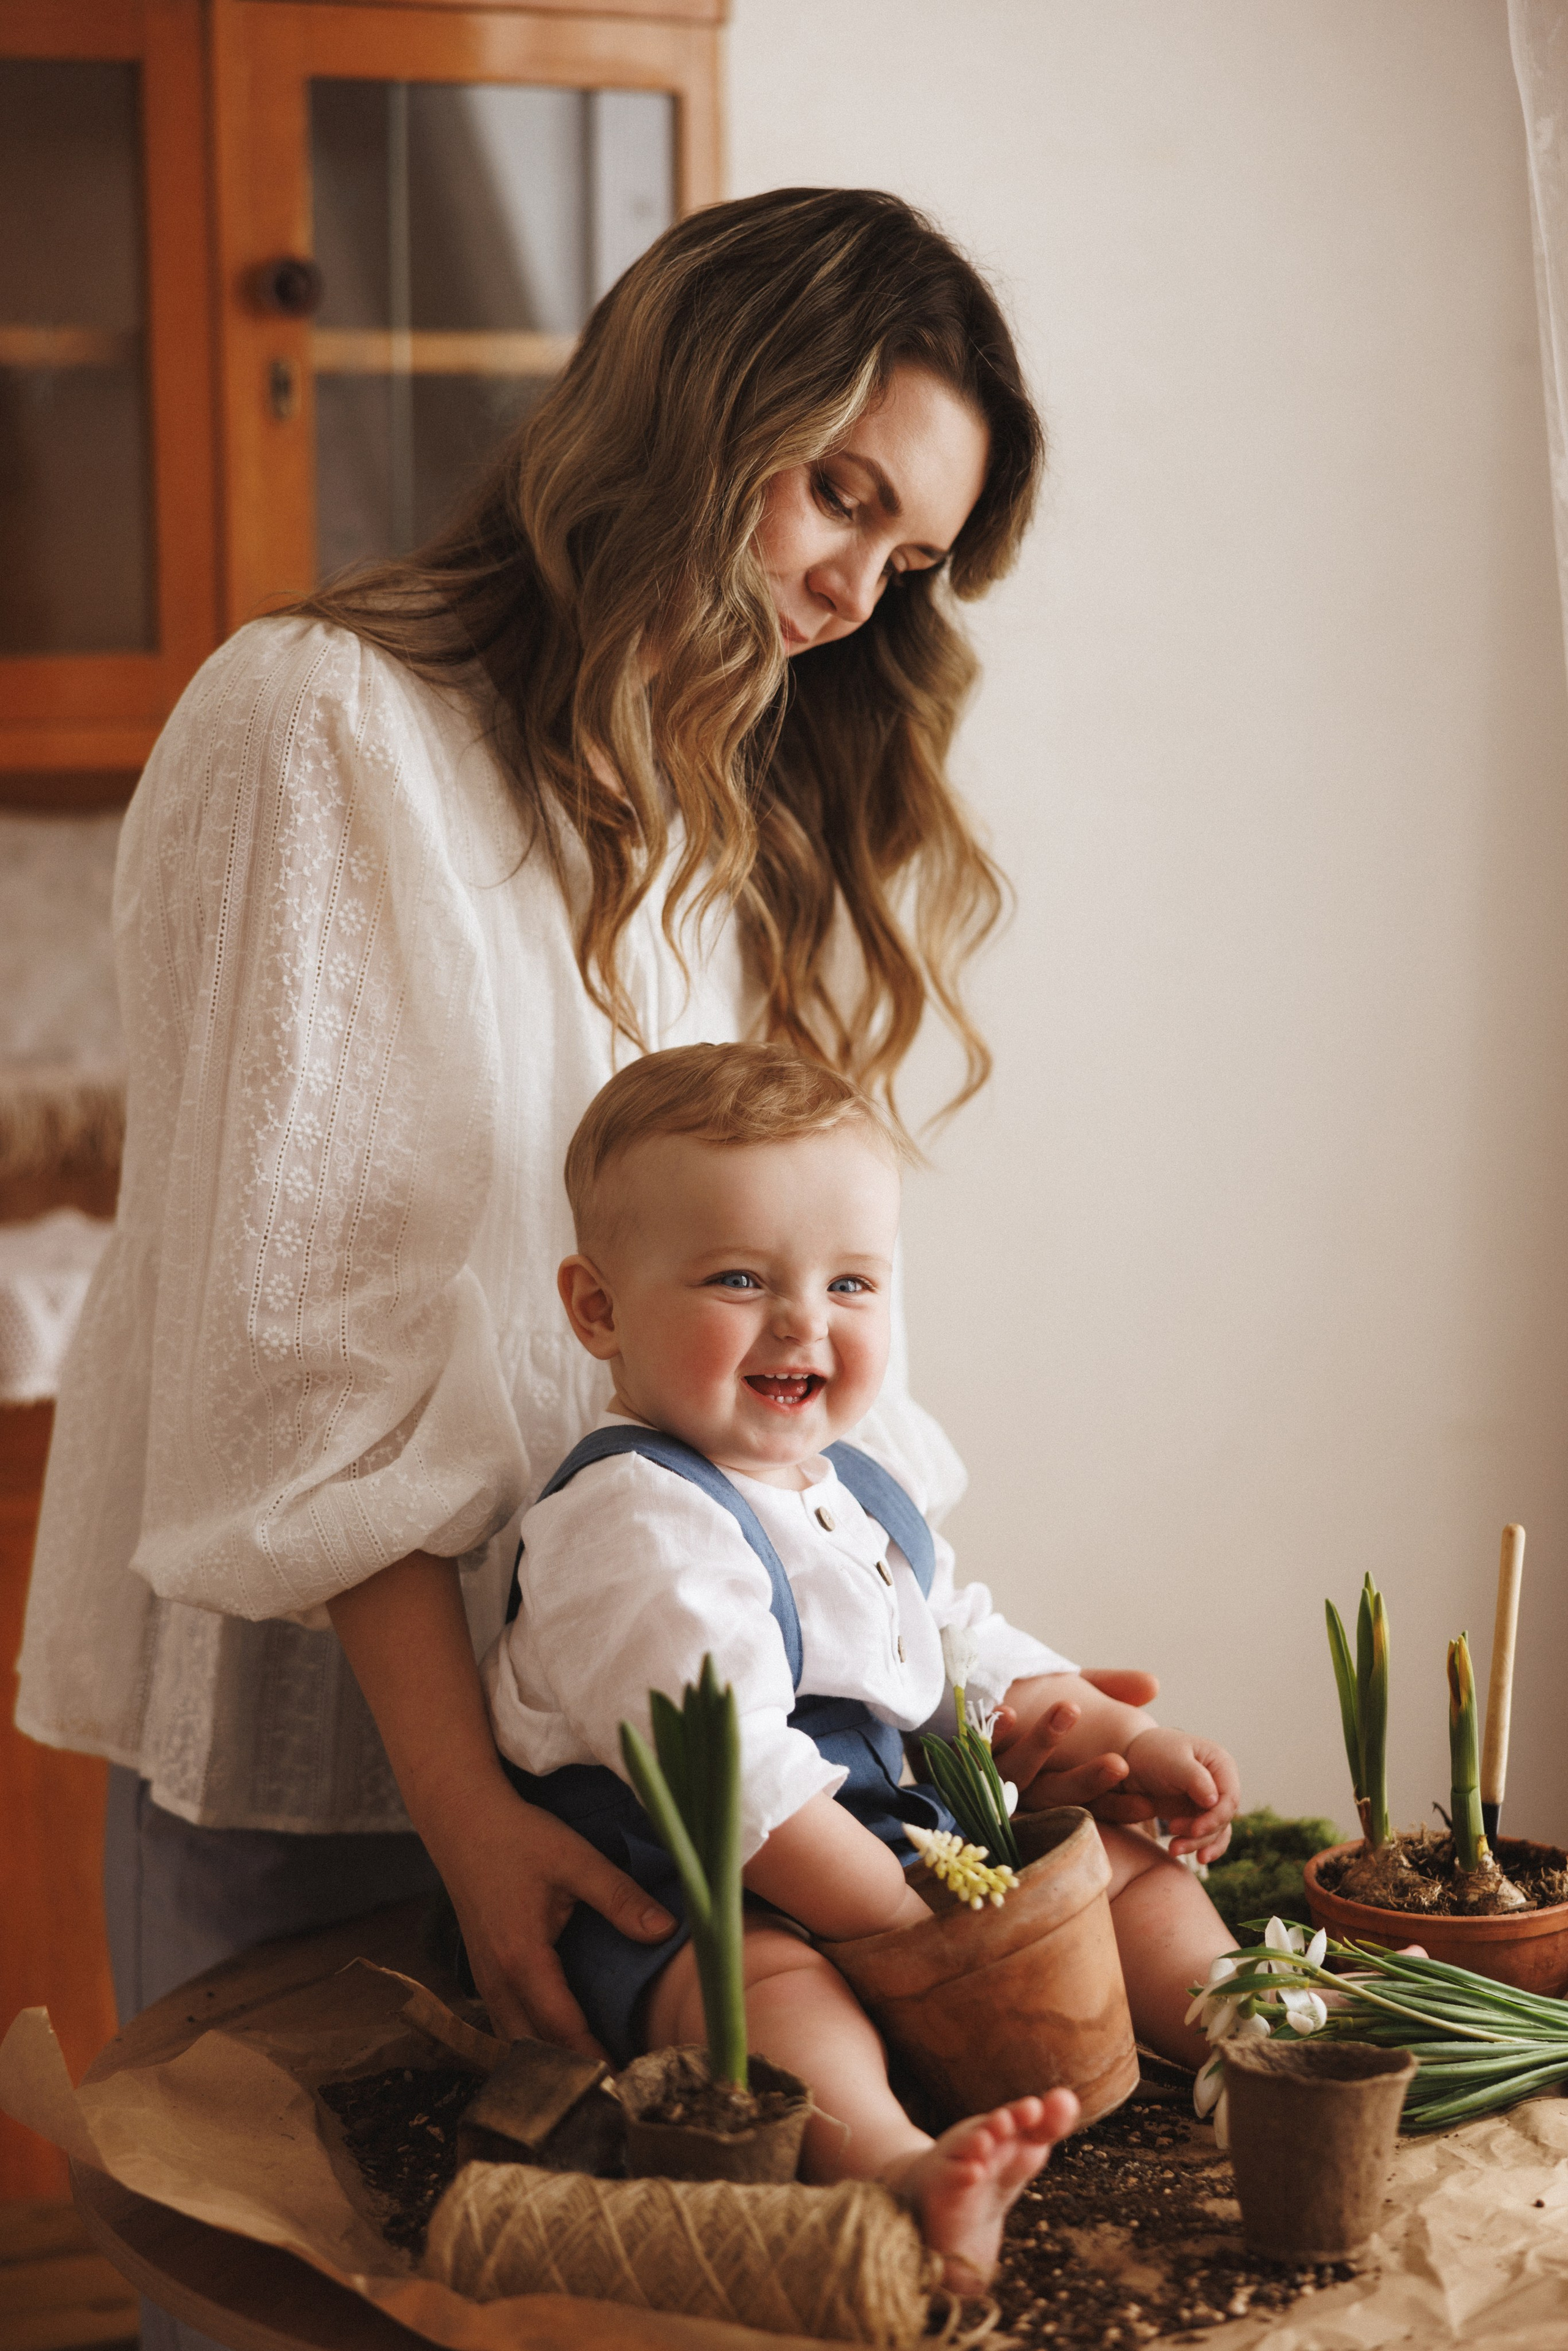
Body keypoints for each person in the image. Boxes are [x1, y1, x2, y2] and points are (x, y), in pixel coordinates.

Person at [15, 186, 1184, 2342]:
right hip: (366, 1774)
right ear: (690, 398)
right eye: (841, 490)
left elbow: (758, 1339)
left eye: (908, 555)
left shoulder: (711, 802)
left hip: (659, 1763)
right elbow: (311, 1343)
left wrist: (964, 1682)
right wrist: (466, 1807)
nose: (856, 588)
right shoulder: (322, 723)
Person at [486, 1039, 1240, 2289]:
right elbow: (733, 1778)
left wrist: (1101, 1722)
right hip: (707, 1883)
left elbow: (955, 1643)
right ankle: (898, 2165)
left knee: (1122, 1869)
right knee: (774, 1997)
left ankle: (1248, 2031)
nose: (801, 1321)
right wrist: (914, 1929)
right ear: (598, 1306)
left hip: (896, 1848)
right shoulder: (635, 1518)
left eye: (850, 1282)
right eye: (739, 1277)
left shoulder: (853, 1485)